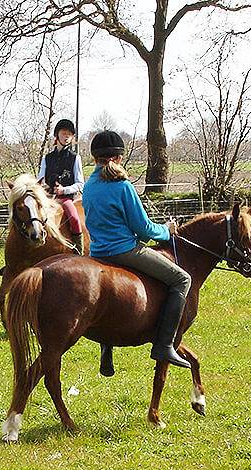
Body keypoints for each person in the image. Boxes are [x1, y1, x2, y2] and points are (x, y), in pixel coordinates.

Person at [82, 129, 191, 374]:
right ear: (119, 158)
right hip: (125, 251)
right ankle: (164, 345)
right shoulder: (122, 186)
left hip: (97, 253)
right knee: (182, 279)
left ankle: (106, 346)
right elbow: (143, 229)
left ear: (94, 158)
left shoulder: (89, 185)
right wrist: (167, 230)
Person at [38, 118, 85, 254]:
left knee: (75, 219)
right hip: (48, 199)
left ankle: (79, 251)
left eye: (69, 134)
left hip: (66, 199)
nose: (67, 136)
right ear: (57, 135)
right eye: (64, 133)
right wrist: (44, 190)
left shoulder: (75, 158)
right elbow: (40, 179)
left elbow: (80, 184)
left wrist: (64, 190)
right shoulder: (47, 158)